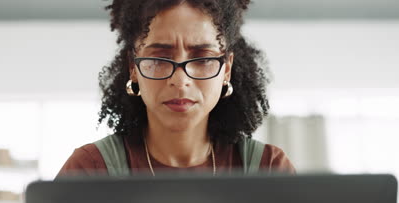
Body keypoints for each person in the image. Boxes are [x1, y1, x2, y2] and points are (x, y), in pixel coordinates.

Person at [57, 0, 295, 178]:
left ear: (226, 70)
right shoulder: (90, 170)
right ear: (133, 67)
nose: (180, 81)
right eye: (159, 59)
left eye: (202, 59)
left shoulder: (269, 169)